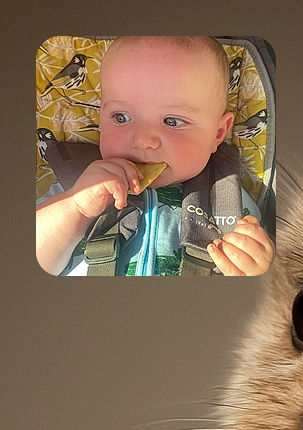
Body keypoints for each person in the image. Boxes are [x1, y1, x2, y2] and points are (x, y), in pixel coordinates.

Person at [36, 35, 274, 276]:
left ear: (218, 133)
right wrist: (75, 208)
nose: (142, 140)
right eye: (121, 117)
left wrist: (254, 270)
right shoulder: (76, 187)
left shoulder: (228, 200)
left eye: (172, 121)